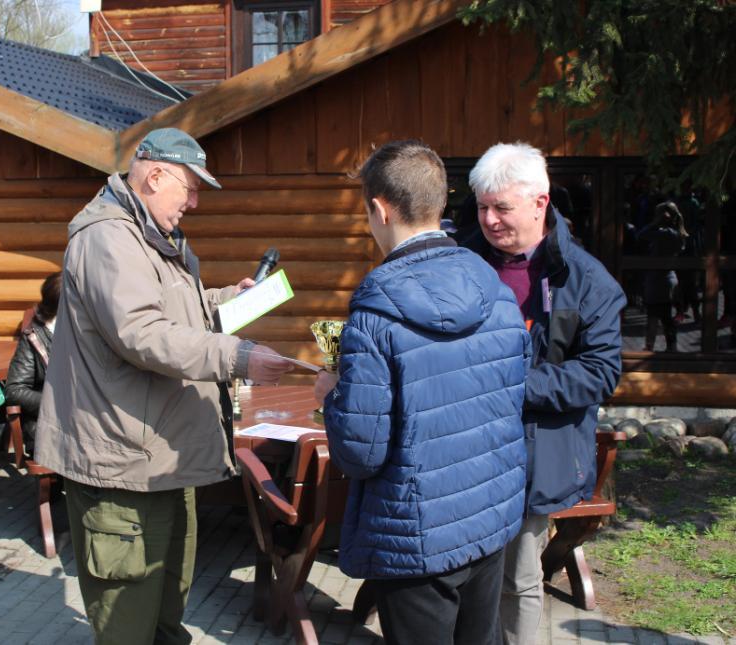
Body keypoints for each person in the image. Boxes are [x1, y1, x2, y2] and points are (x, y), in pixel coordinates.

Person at [34, 127, 292, 644]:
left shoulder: (149, 233)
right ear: (155, 175)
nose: (194, 202)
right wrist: (236, 357)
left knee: (166, 619)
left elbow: (168, 313)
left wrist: (224, 301)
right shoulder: (108, 237)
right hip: (122, 468)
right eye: (190, 187)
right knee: (129, 625)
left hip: (160, 459)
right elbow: (141, 334)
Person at [313, 140, 530, 645]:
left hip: (416, 533)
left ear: (380, 209)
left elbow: (361, 453)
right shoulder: (496, 293)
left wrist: (335, 395)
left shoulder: (374, 318)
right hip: (488, 518)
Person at [463, 142, 626, 645]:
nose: (489, 219)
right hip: (462, 447)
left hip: (536, 451)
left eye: (502, 208)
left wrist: (510, 385)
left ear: (540, 202)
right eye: (482, 207)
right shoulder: (461, 262)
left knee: (516, 577)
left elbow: (599, 373)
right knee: (457, 574)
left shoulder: (586, 280)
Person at [4, 271, 62, 455]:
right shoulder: (34, 337)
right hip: (47, 426)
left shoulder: (87, 332)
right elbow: (14, 390)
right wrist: (58, 403)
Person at [637, 201, 687, 351]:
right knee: (665, 314)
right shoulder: (677, 233)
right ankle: (671, 345)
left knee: (655, 314)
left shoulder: (666, 233)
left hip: (659, 279)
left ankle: (651, 346)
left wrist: (655, 223)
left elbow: (642, 235)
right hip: (666, 277)